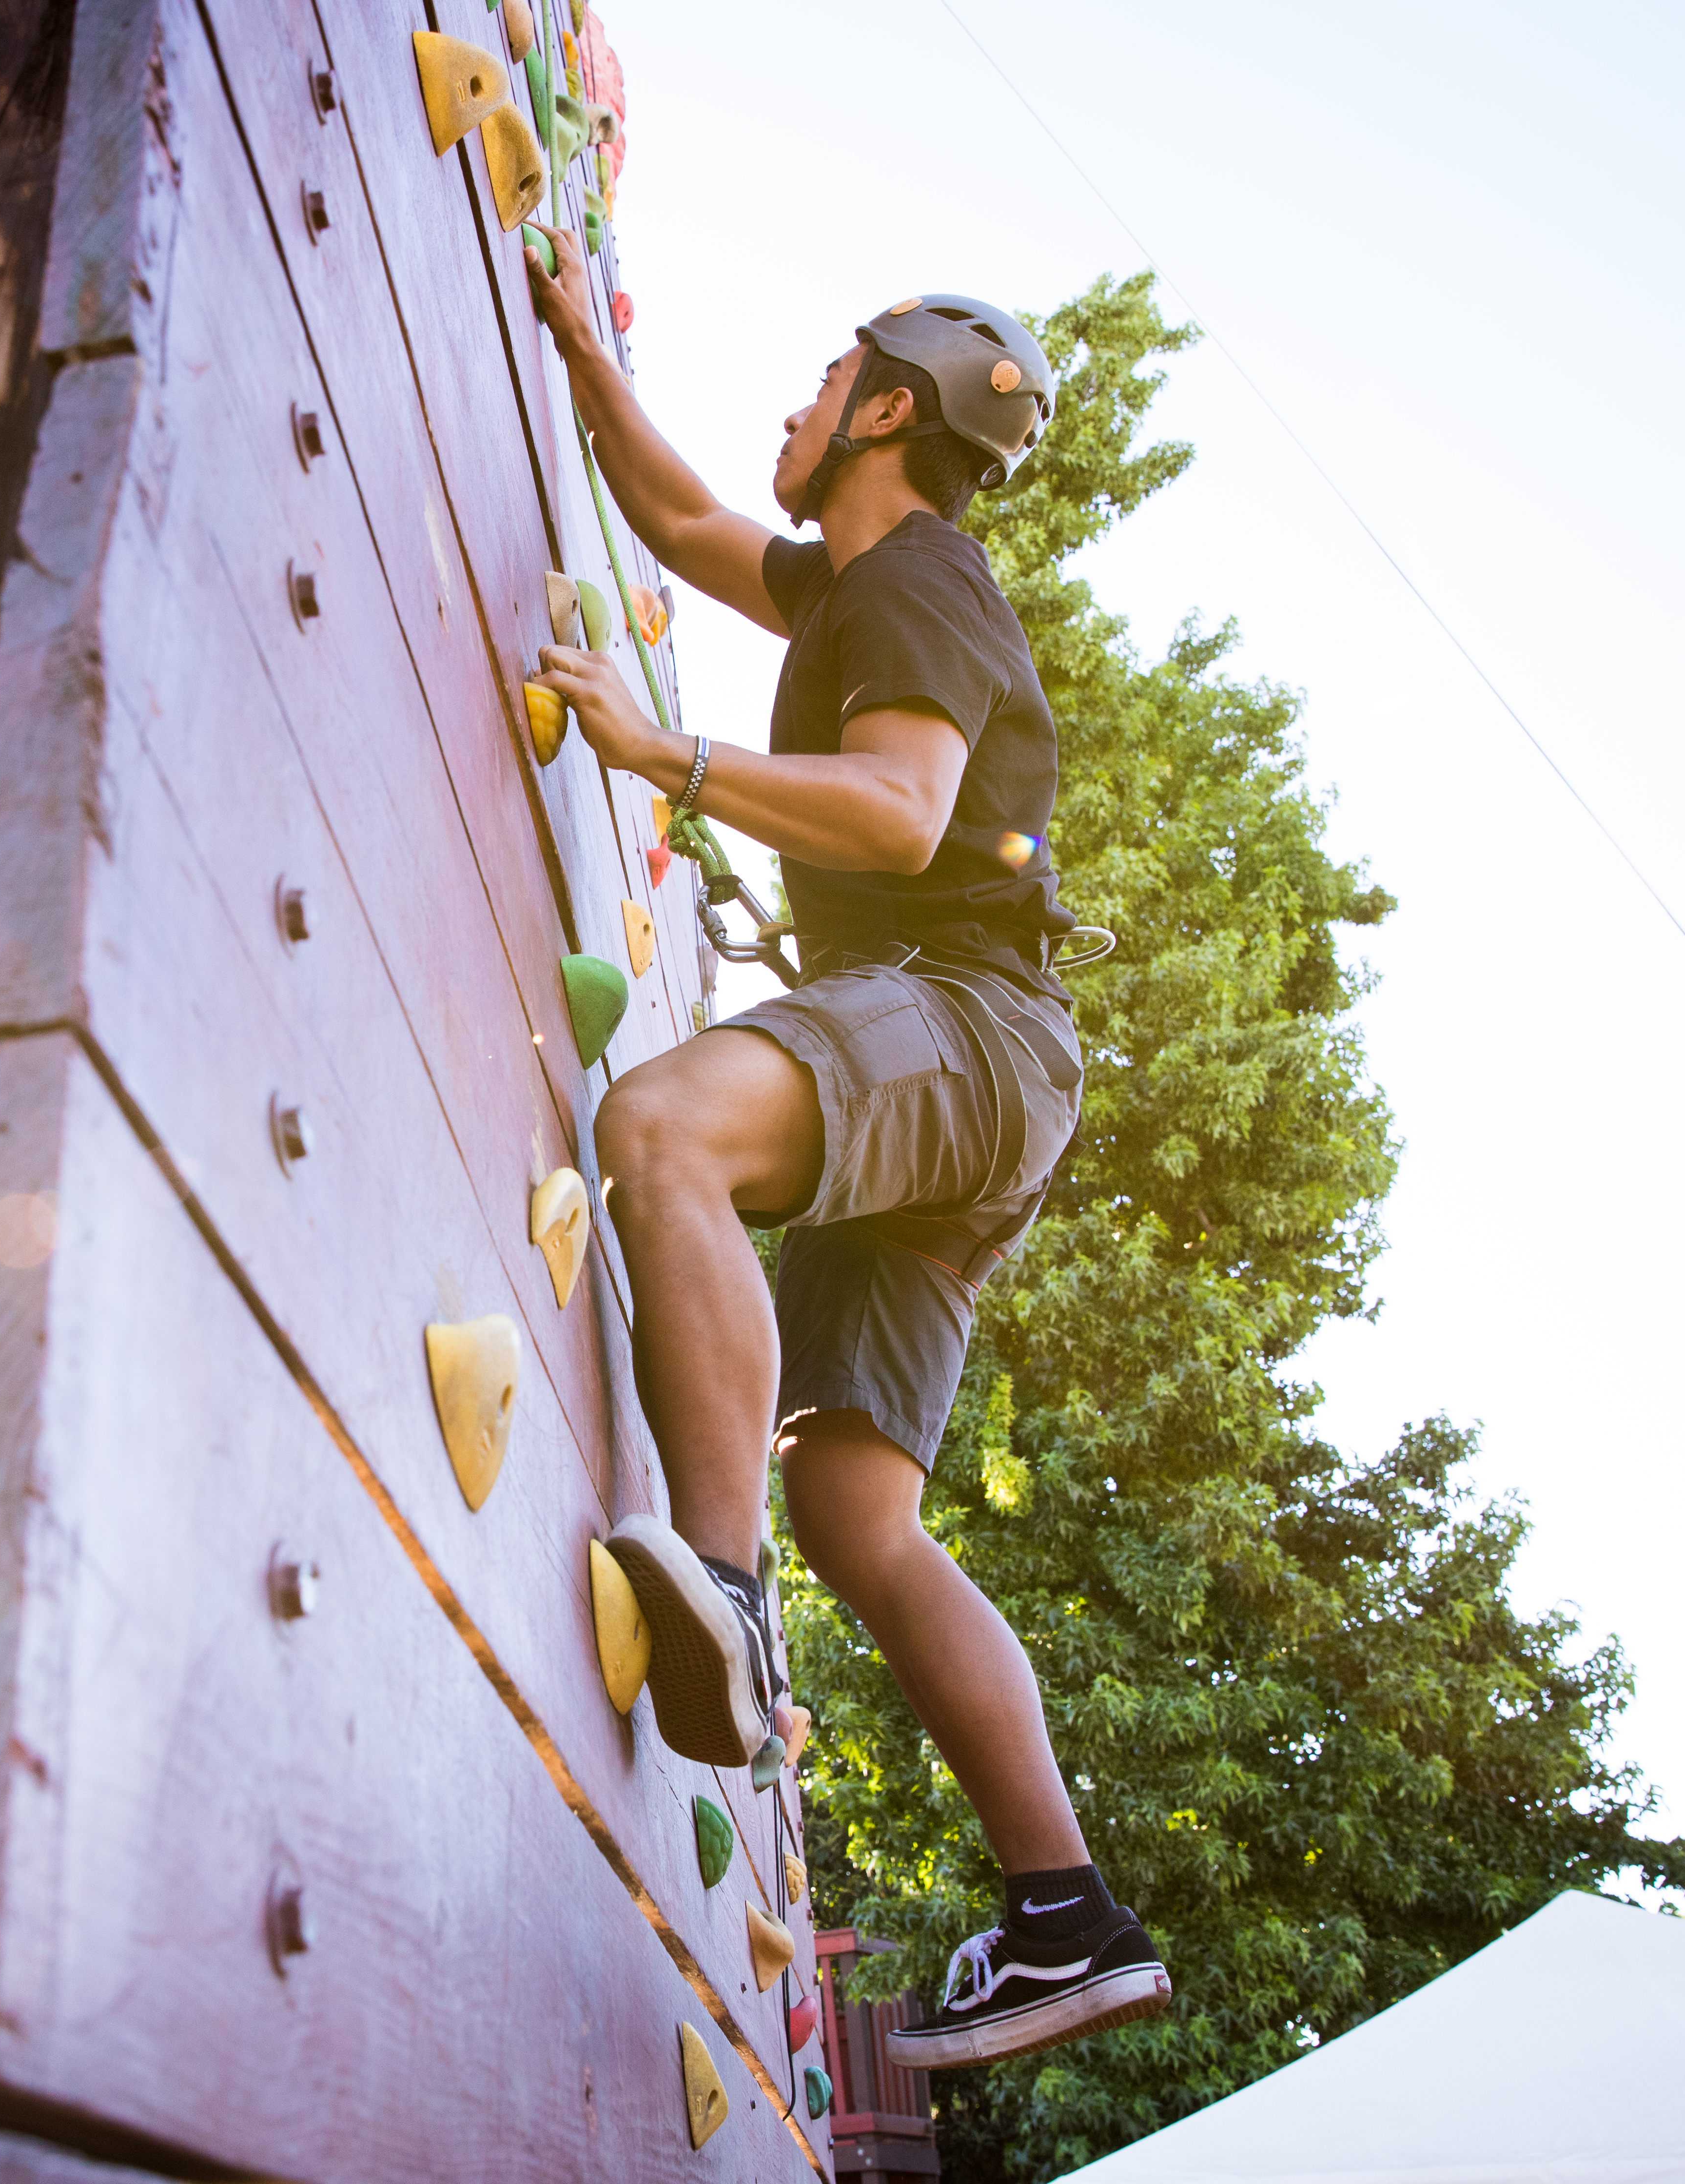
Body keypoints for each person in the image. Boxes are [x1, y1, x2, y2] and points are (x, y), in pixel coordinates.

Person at [525, 237, 1171, 2070]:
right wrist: (578, 340)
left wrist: (669, 753)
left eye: (822, 388)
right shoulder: (847, 587)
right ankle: (1068, 1917)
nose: (792, 414)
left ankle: (714, 1586)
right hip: (990, 1092)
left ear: (886, 411)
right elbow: (679, 515)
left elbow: (899, 813)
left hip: (958, 1015)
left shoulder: (918, 586)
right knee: (860, 1512)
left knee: (660, 1122)